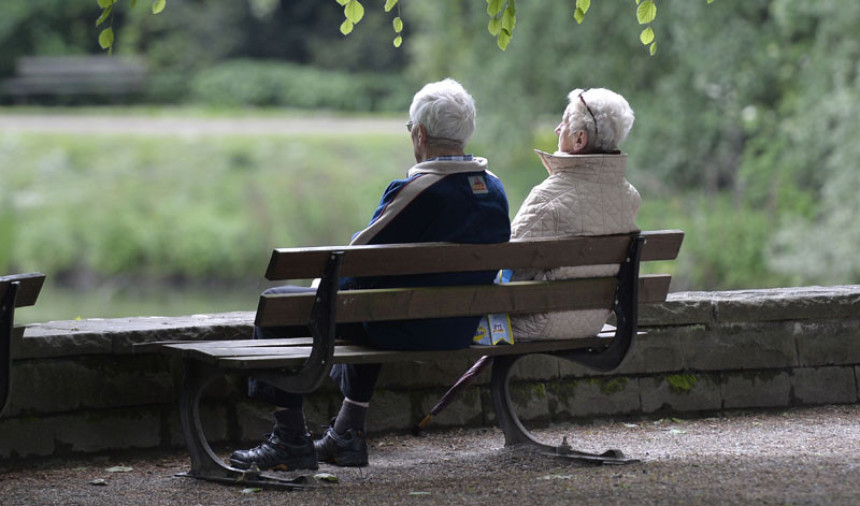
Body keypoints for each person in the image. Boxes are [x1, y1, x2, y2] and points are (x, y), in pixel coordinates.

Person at [229, 78, 511, 471]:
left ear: (420, 134)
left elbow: (353, 257)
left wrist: (318, 294)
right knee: (374, 299)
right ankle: (348, 432)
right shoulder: (494, 190)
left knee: (283, 304)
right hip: (459, 327)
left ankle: (290, 438)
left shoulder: (420, 190)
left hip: (408, 327)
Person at [508, 87, 640, 340]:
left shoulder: (549, 196)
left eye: (564, 122)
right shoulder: (630, 197)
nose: (557, 129)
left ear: (579, 140)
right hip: (591, 323)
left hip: (537, 324)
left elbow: (509, 266)